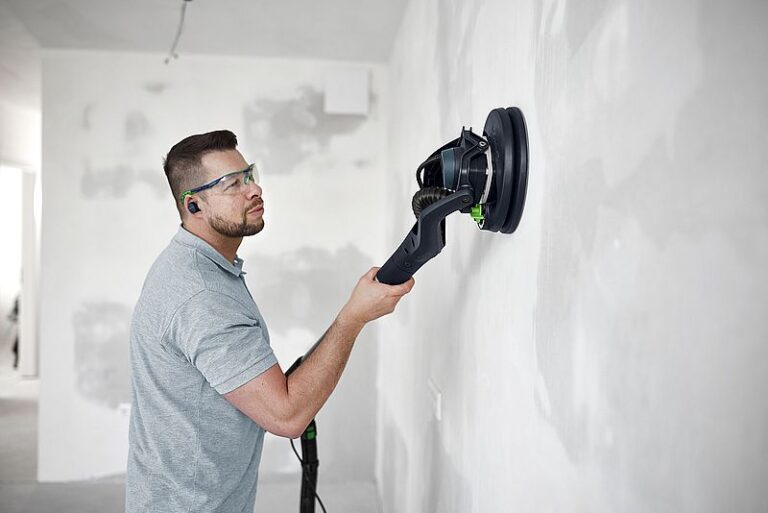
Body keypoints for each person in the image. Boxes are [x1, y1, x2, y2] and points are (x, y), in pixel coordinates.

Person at [125, 130, 415, 513]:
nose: (254, 188)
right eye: (232, 184)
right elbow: (287, 416)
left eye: (249, 174)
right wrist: (353, 317)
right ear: (194, 205)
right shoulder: (202, 296)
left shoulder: (193, 264)